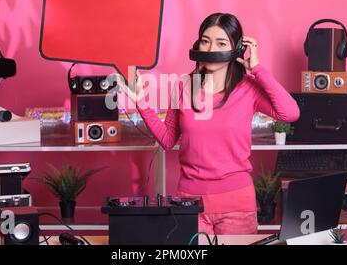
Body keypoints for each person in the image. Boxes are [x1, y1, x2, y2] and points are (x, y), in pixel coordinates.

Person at [117, 12, 300, 235]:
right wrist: (141, 103)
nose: (211, 48)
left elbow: (290, 113)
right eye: (205, 41)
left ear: (237, 49)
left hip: (237, 205)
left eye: (221, 43)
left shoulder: (248, 87)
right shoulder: (185, 84)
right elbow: (167, 140)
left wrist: (258, 69)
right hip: (190, 203)